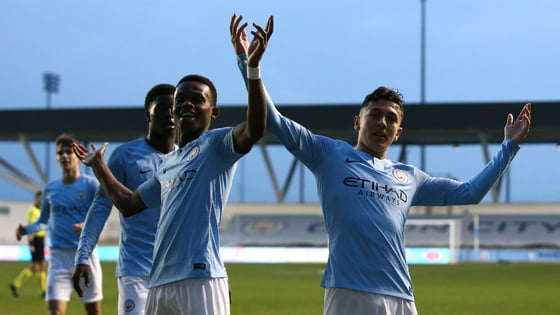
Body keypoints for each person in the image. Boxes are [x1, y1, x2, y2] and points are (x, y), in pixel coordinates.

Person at [230, 16, 532, 315]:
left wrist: (509, 146)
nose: (382, 123)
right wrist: (249, 65)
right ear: (357, 121)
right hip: (348, 291)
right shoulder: (328, 154)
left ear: (398, 132)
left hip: (400, 294)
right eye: (374, 115)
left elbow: (470, 192)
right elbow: (274, 120)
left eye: (391, 119)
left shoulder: (411, 177)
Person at [71, 15, 272, 315]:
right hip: (159, 282)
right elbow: (128, 203)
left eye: (197, 99)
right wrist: (98, 165)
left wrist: (250, 67)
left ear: (213, 111)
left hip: (200, 278)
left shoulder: (217, 145)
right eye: (180, 100)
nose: (185, 104)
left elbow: (256, 127)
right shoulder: (168, 164)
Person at [72, 84, 176, 315]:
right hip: (136, 272)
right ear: (147, 114)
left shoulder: (185, 158)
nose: (169, 113)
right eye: (161, 108)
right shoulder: (125, 155)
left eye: (174, 108)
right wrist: (83, 255)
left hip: (177, 273)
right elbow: (100, 207)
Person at [16, 133, 103, 315]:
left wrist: (86, 226)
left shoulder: (91, 185)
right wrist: (27, 229)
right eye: (60, 153)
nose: (64, 156)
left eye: (68, 152)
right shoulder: (50, 189)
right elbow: (44, 222)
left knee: (93, 311)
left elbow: (101, 216)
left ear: (78, 157)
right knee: (55, 311)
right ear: (57, 158)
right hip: (58, 257)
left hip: (85, 255)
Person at [10, 190, 47, 298]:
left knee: (37, 266)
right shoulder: (33, 211)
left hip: (40, 240)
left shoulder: (42, 211)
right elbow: (30, 228)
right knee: (40, 266)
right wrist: (31, 244)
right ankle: (43, 291)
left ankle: (16, 284)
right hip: (35, 241)